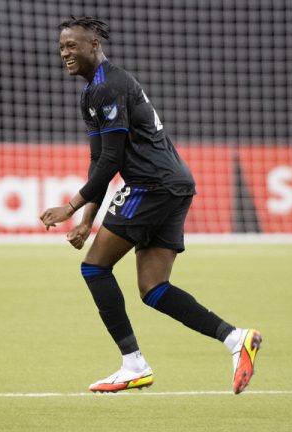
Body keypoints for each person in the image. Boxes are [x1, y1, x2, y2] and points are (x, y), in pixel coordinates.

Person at [40, 16, 261, 394]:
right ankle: (236, 339)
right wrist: (88, 221)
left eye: (72, 46)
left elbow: (111, 162)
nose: (65, 53)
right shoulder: (94, 91)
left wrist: (71, 206)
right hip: (173, 184)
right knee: (153, 287)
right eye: (61, 47)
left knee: (95, 269)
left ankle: (133, 364)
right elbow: (100, 162)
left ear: (93, 44)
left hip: (152, 185)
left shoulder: (108, 87)